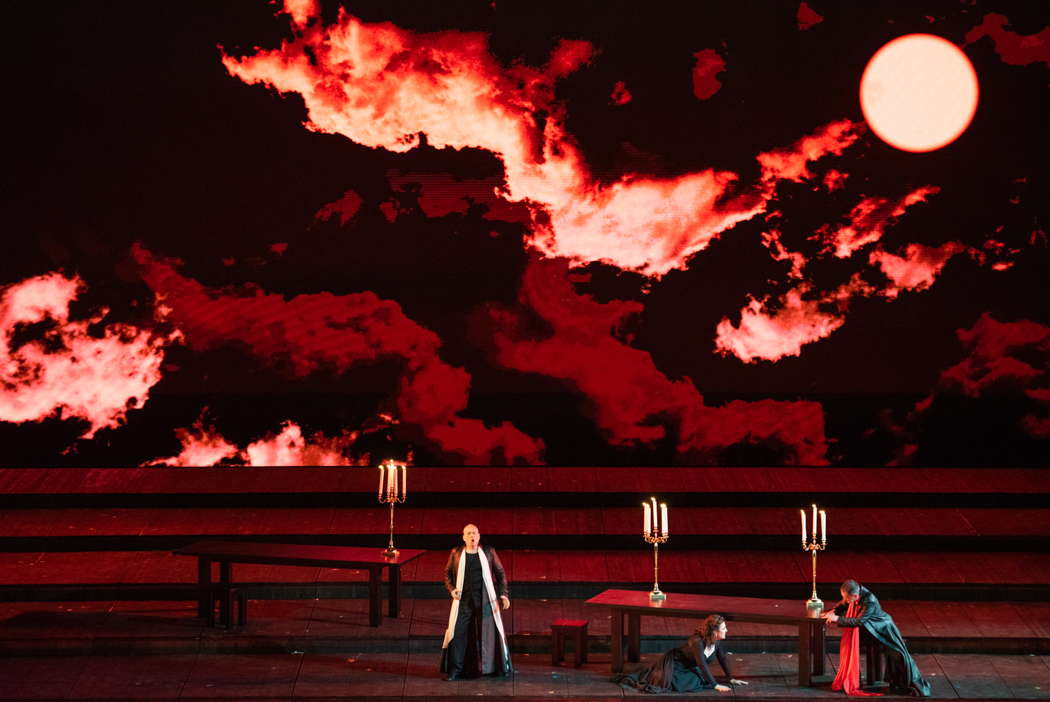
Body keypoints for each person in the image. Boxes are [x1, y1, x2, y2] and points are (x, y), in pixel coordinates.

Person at [823, 579, 931, 697]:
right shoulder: (854, 594)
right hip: (871, 629)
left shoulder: (870, 601)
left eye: (849, 598)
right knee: (851, 644)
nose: (847, 601)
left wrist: (837, 618)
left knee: (899, 655)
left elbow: (859, 621)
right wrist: (833, 611)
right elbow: (843, 603)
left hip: (884, 629)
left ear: (855, 595)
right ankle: (854, 678)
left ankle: (915, 684)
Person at [440, 523, 512, 680]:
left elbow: (500, 574)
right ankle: (455, 670)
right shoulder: (456, 553)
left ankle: (493, 667)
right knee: (457, 634)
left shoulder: (488, 552)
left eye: (475, 533)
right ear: (464, 537)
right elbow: (447, 574)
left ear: (479, 536)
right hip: (464, 601)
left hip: (485, 600)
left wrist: (503, 595)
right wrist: (452, 589)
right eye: (469, 533)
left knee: (489, 633)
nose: (472, 536)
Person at [615, 614, 748, 693]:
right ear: (714, 631)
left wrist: (731, 678)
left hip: (688, 667)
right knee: (690, 682)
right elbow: (702, 664)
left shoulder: (716, 642)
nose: (727, 630)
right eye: (724, 628)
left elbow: (723, 659)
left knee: (698, 680)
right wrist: (715, 685)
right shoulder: (697, 642)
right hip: (674, 664)